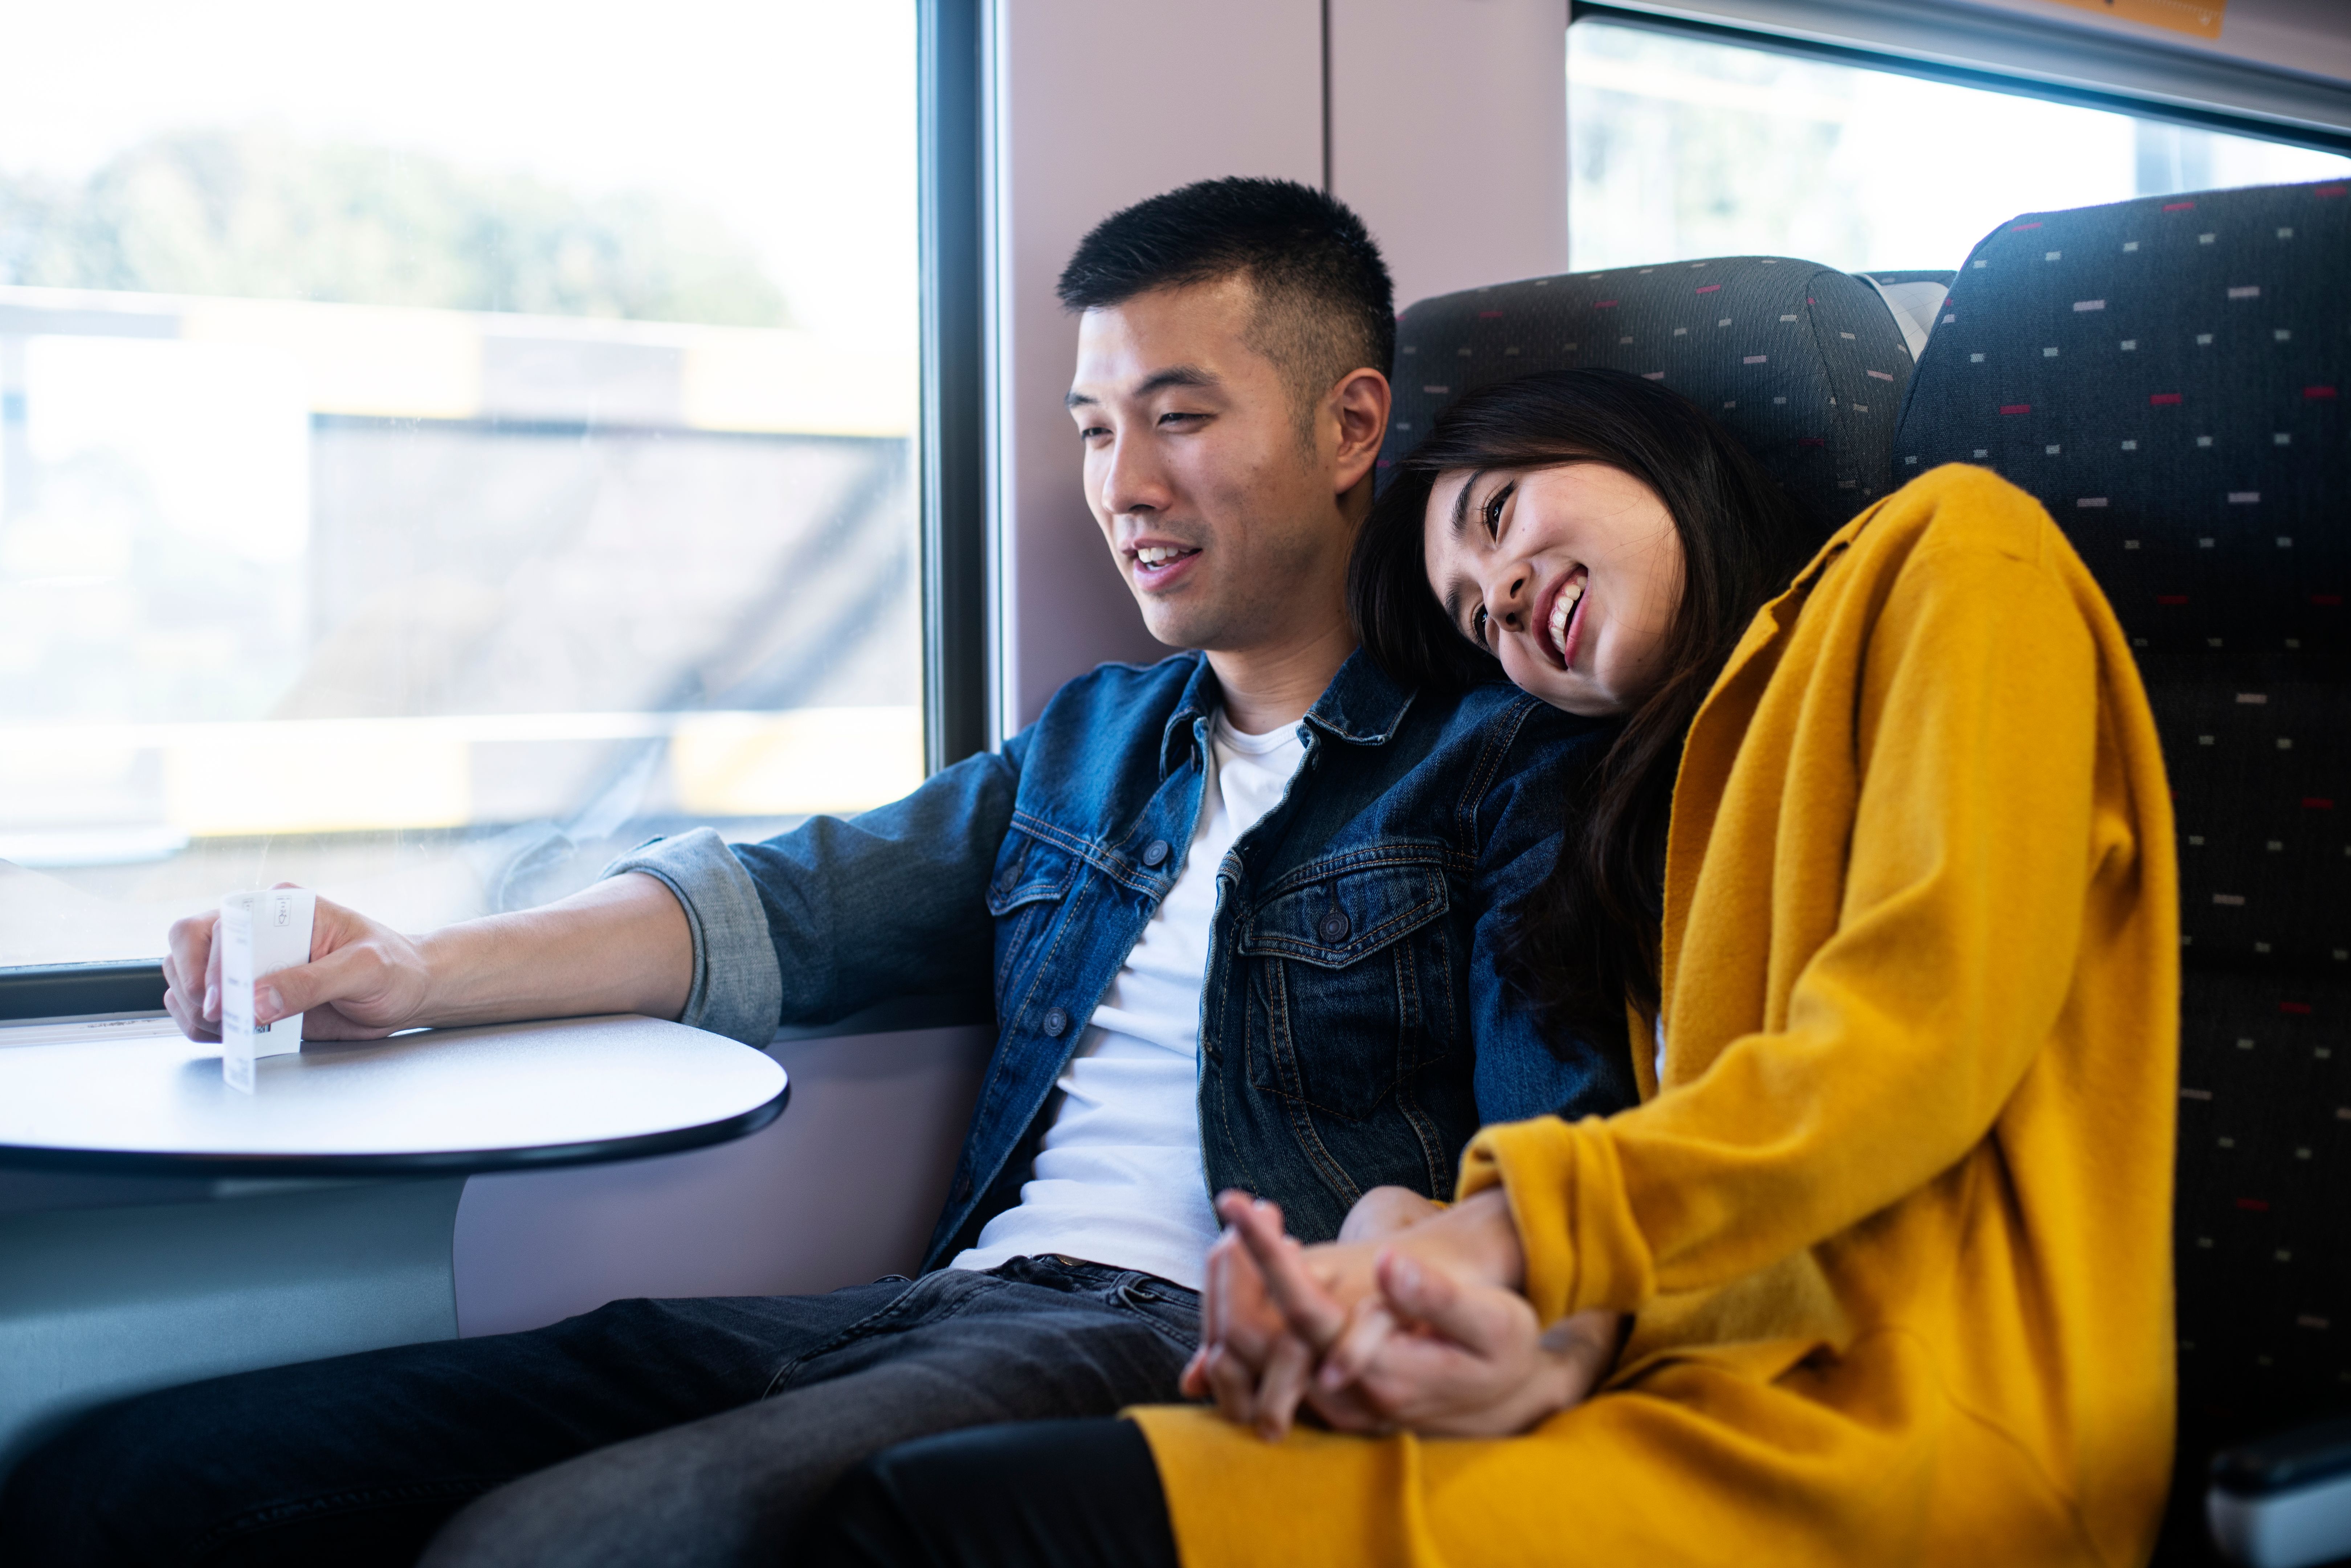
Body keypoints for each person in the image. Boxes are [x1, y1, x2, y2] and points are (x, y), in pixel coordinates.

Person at [0, 183, 1637, 1567]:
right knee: (131, 1481)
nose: (1123, 487)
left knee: (559, 1544)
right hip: (927, 1305)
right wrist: (417, 971)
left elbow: (1542, 1180)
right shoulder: (1091, 748)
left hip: (1167, 1338)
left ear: (1353, 425)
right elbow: (785, 906)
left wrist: (1398, 1283)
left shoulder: (1495, 765)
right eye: (1095, 430)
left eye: (1183, 418)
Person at [800, 368, 2180, 1568]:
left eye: (1500, 516)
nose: (1508, 602)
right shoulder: (1645, 823)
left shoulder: (1950, 556)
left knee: (946, 1531)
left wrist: (1510, 1233)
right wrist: (1449, 1298)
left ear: (1634, 441)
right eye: (1478, 624)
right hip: (1657, 1409)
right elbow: (1645, 1192)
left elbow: (1907, 1045)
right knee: (914, 1510)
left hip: (1918, 1439)